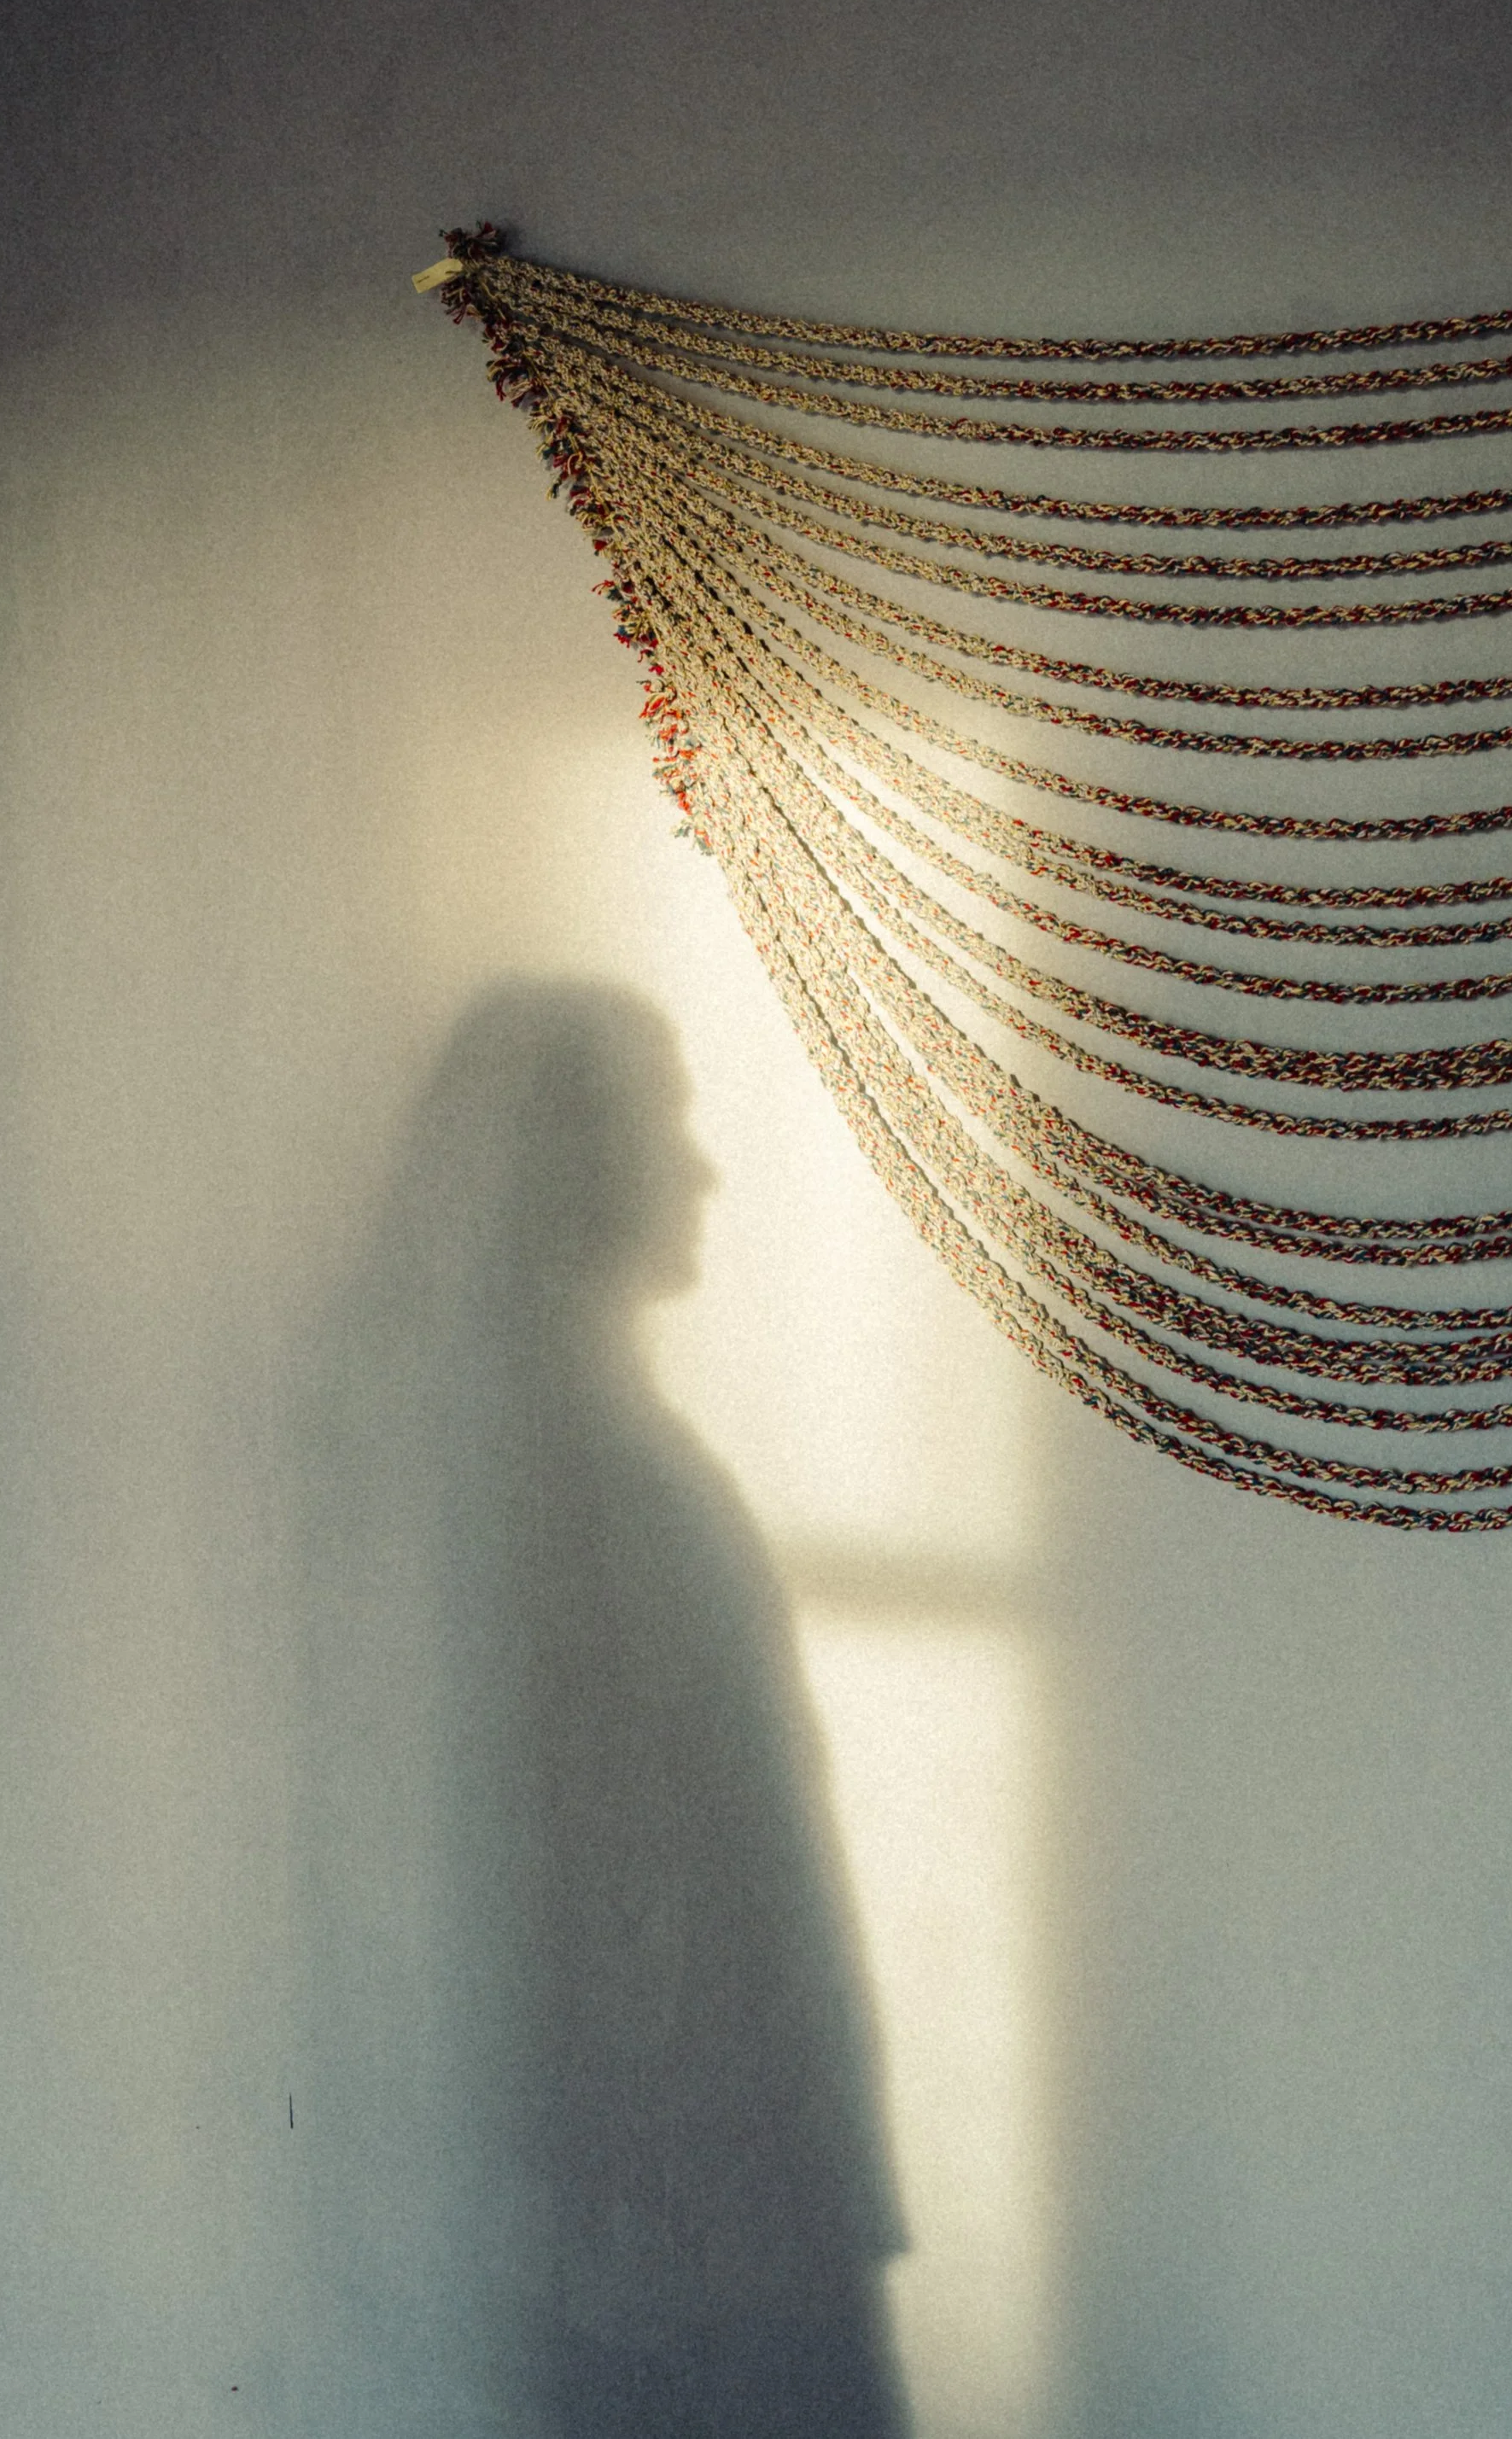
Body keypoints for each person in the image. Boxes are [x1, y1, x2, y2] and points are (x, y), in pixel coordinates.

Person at [297, 981, 908, 2438]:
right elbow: (609, 1895)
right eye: (667, 1123)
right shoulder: (582, 1493)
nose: (700, 1169)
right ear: (575, 1163)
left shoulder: (605, 1462)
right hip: (704, 2236)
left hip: (731, 2203)